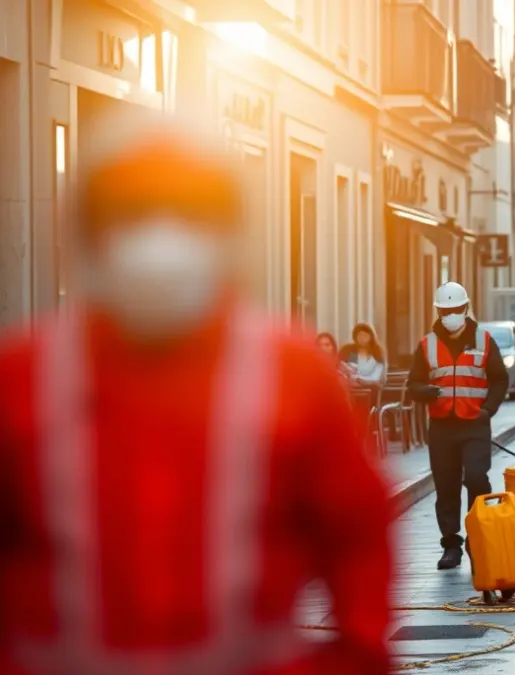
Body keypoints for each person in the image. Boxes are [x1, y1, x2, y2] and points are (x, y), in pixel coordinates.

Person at [0, 109, 392, 673]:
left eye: (190, 211)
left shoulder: (293, 374)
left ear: (228, 230)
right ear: (89, 232)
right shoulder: (22, 377)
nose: (162, 237)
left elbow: (357, 534)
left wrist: (353, 656)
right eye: (132, 212)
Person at [405, 282, 508, 570]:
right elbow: (412, 384)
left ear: (465, 309)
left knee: (476, 477)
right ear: (438, 311)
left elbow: (500, 379)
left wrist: (488, 409)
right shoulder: (427, 345)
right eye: (445, 310)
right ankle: (451, 545)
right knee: (446, 486)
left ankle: (479, 537)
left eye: (455, 310)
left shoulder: (484, 340)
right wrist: (423, 391)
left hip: (474, 423)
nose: (450, 315)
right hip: (442, 426)